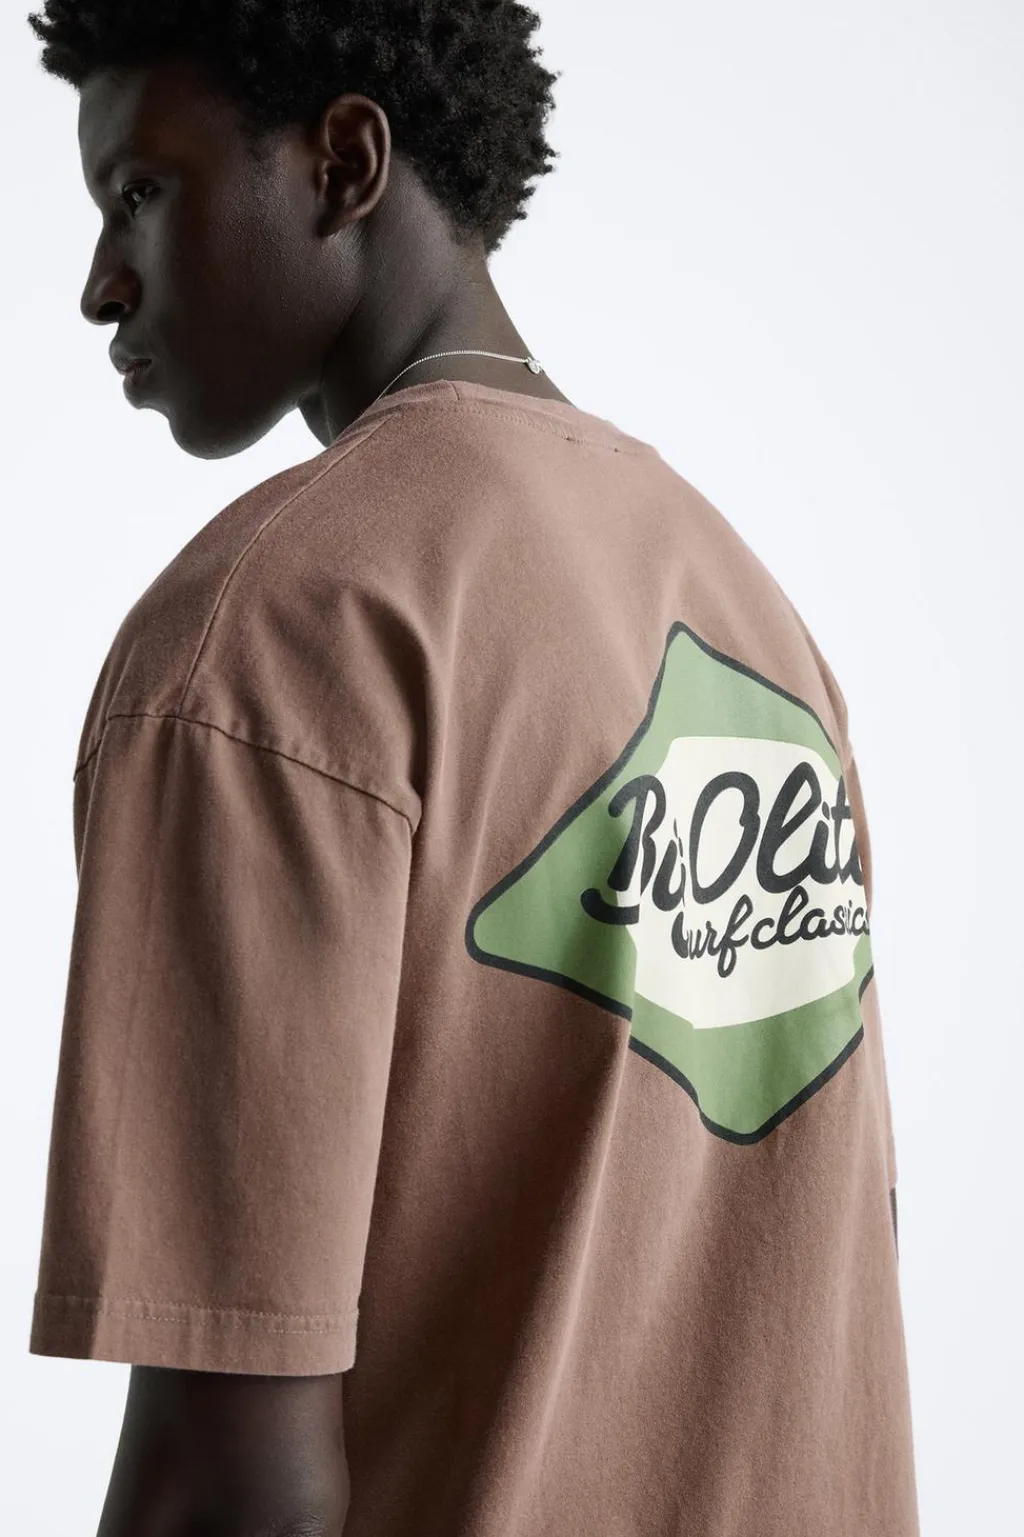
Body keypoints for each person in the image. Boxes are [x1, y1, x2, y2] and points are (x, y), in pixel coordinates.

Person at [25, 3, 919, 1534]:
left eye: (142, 193)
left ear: (344, 162)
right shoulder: (748, 610)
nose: (101, 281)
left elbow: (232, 1483)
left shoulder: (270, 640)